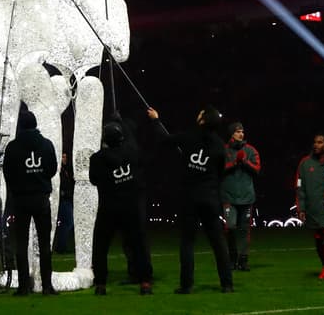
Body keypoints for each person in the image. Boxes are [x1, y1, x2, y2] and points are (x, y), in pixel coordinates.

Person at [147, 104, 234, 294]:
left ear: (203, 120)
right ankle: (227, 284)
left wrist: (156, 120)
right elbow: (221, 173)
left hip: (190, 198)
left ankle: (187, 285)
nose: (198, 113)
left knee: (187, 242)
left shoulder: (189, 136)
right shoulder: (220, 145)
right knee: (218, 242)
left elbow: (165, 140)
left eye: (201, 113)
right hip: (210, 198)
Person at [89, 115, 154, 295]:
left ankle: (101, 283)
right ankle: (145, 281)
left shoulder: (97, 158)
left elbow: (93, 180)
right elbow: (140, 162)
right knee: (138, 245)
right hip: (131, 206)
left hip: (108, 207)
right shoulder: (132, 152)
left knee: (101, 246)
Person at [3, 108, 59, 295]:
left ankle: (23, 286)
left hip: (21, 199)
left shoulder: (12, 147)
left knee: (22, 243)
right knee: (44, 244)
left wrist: (18, 187)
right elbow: (52, 169)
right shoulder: (46, 144)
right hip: (41, 197)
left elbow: (7, 173)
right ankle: (47, 285)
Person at [296, 133, 324, 281]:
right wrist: (301, 207)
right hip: (313, 207)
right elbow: (299, 187)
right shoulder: (305, 163)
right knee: (318, 238)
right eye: (315, 142)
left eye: (320, 142)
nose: (317, 145)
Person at [221, 121, 261, 272]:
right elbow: (218, 170)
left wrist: (244, 162)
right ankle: (232, 259)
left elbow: (257, 169)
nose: (241, 134)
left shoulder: (251, 150)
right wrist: (233, 163)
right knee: (230, 227)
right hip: (228, 197)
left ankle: (243, 260)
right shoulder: (223, 151)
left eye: (242, 131)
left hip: (246, 197)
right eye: (238, 131)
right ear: (231, 134)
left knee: (244, 230)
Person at [54, 151, 75, 254]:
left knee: (64, 224)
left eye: (65, 157)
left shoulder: (66, 170)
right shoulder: (60, 171)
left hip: (66, 199)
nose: (64, 159)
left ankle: (61, 246)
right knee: (68, 222)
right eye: (63, 157)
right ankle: (60, 246)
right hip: (63, 200)